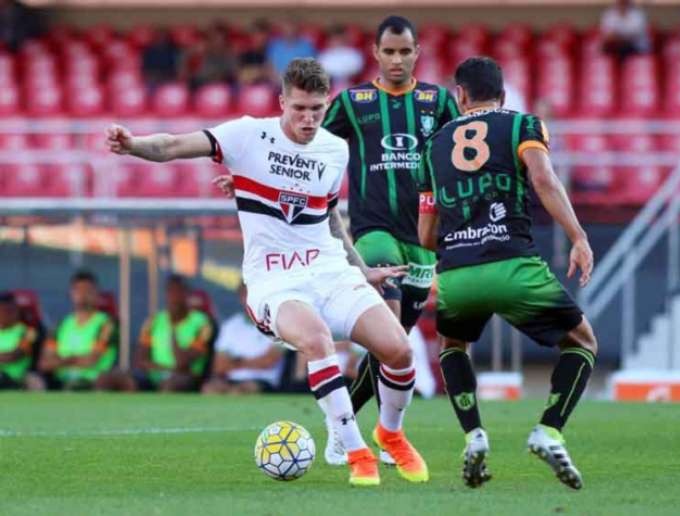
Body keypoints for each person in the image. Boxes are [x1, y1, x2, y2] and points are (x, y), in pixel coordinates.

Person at [104, 57, 428, 487]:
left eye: (317, 108)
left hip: (330, 270)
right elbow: (171, 146)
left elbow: (328, 217)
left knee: (399, 351)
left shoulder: (335, 148)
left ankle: (390, 432)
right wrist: (133, 144)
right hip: (276, 279)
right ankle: (356, 453)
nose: (308, 119)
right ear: (281, 102)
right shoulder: (247, 134)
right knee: (317, 340)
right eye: (299, 108)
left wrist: (360, 267)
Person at [417, 57, 598, 490]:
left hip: (458, 272)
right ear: (502, 94)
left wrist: (461, 238)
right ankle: (549, 430)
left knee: (452, 345)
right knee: (582, 342)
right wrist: (578, 236)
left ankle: (474, 434)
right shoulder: (523, 125)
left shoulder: (433, 145)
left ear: (460, 95)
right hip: (514, 263)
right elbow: (543, 179)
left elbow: (425, 233)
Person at [321, 15, 459, 466]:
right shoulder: (354, 101)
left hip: (423, 239)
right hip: (373, 232)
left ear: (417, 52)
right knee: (389, 323)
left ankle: (348, 430)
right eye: (389, 51)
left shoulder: (437, 102)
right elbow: (307, 143)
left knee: (393, 343)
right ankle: (365, 433)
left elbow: (461, 157)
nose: (397, 59)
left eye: (405, 51)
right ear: (375, 53)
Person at [132, 275, 214, 392]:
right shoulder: (154, 321)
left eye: (179, 291)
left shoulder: (202, 323)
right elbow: (140, 360)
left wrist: (174, 329)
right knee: (121, 379)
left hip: (187, 377)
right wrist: (166, 369)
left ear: (187, 295)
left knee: (171, 384)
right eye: (171, 291)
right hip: (156, 374)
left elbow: (182, 362)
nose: (174, 297)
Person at [38, 271, 117, 390]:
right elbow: (44, 363)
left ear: (97, 294)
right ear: (70, 293)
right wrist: (74, 360)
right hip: (61, 382)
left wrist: (61, 361)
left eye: (88, 290)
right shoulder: (61, 325)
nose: (83, 294)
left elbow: (91, 360)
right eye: (78, 290)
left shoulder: (107, 324)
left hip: (93, 383)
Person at [201, 284, 285, 394]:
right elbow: (219, 365)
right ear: (241, 297)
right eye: (245, 294)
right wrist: (251, 362)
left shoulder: (278, 324)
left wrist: (235, 362)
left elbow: (268, 361)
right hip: (230, 380)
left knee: (238, 392)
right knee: (209, 389)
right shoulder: (231, 325)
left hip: (263, 381)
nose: (250, 298)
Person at [0, 292, 39, 390]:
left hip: (15, 380)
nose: (5, 313)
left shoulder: (29, 332)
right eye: (2, 309)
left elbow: (14, 356)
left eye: (9, 310)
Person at [238, 20, 275, 86]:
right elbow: (242, 75)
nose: (260, 38)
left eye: (262, 34)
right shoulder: (247, 54)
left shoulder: (273, 51)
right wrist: (260, 72)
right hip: (251, 88)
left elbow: (274, 73)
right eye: (256, 34)